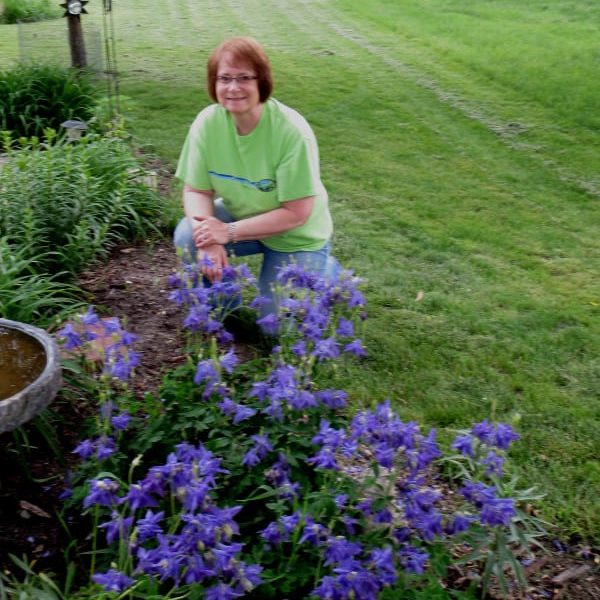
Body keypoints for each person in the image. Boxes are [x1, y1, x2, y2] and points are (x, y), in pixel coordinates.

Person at [173, 36, 339, 319]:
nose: (233, 88)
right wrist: (209, 238)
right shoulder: (208, 123)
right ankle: (224, 310)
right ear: (214, 83)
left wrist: (227, 232)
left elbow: (296, 214)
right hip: (244, 218)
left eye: (244, 78)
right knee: (189, 233)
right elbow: (196, 191)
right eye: (224, 78)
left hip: (295, 236)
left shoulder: (291, 132)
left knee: (277, 327)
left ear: (261, 82)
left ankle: (327, 271)